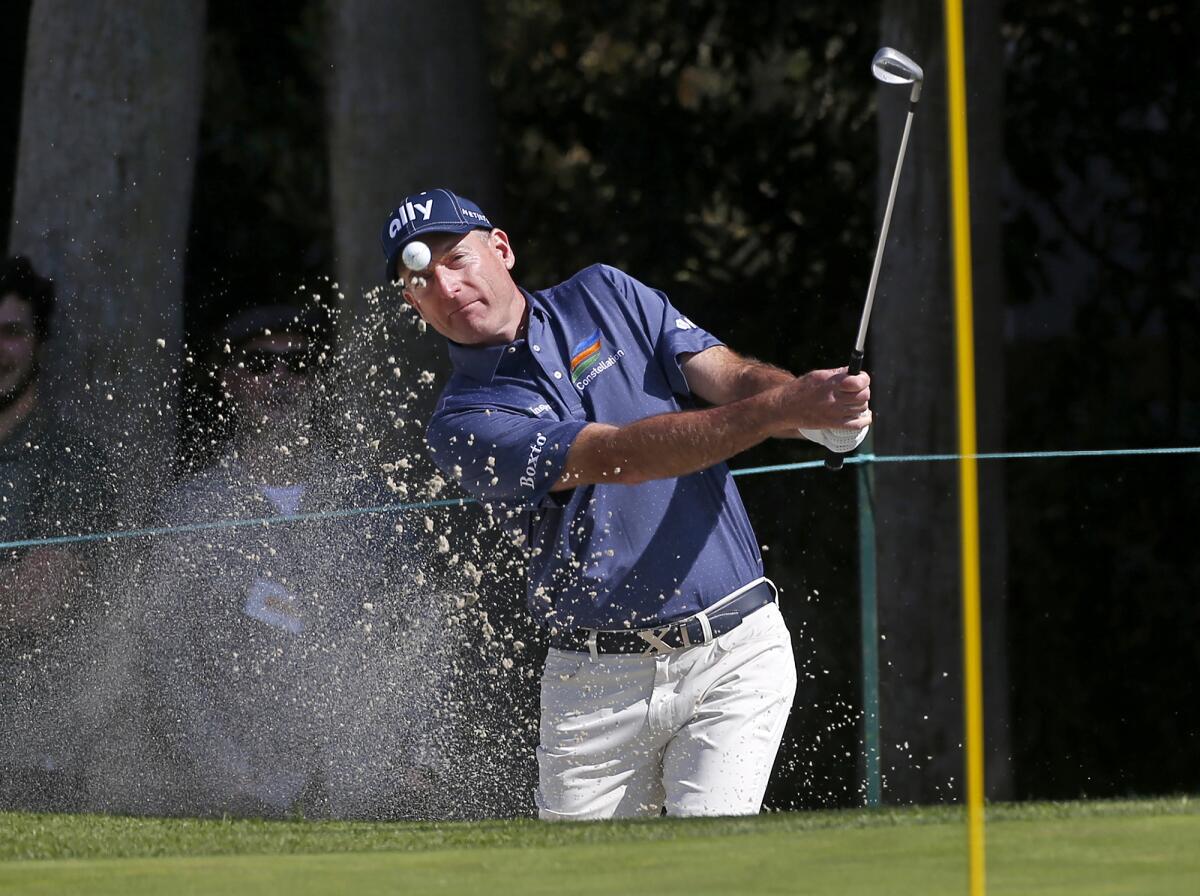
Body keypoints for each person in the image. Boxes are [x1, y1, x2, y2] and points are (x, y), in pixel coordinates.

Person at [377, 189, 872, 819]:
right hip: (594, 689)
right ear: (409, 300)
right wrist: (784, 409)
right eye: (420, 278)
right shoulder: (464, 420)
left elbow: (732, 377)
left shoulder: (604, 293)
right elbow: (623, 458)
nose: (446, 286)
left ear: (500, 249)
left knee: (708, 868)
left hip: (734, 652)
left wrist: (813, 406)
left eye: (458, 258)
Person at [131, 304, 447, 819]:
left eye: (298, 364)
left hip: (366, 788)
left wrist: (422, 764)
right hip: (236, 797)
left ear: (318, 381)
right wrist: (230, 783)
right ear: (230, 379)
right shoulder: (189, 510)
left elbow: (421, 635)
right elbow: (170, 664)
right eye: (259, 365)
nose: (279, 380)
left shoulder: (371, 503)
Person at [0, 256, 117, 810]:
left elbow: (36, 601)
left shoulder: (72, 462)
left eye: (12, 333)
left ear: (39, 345)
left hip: (31, 752)